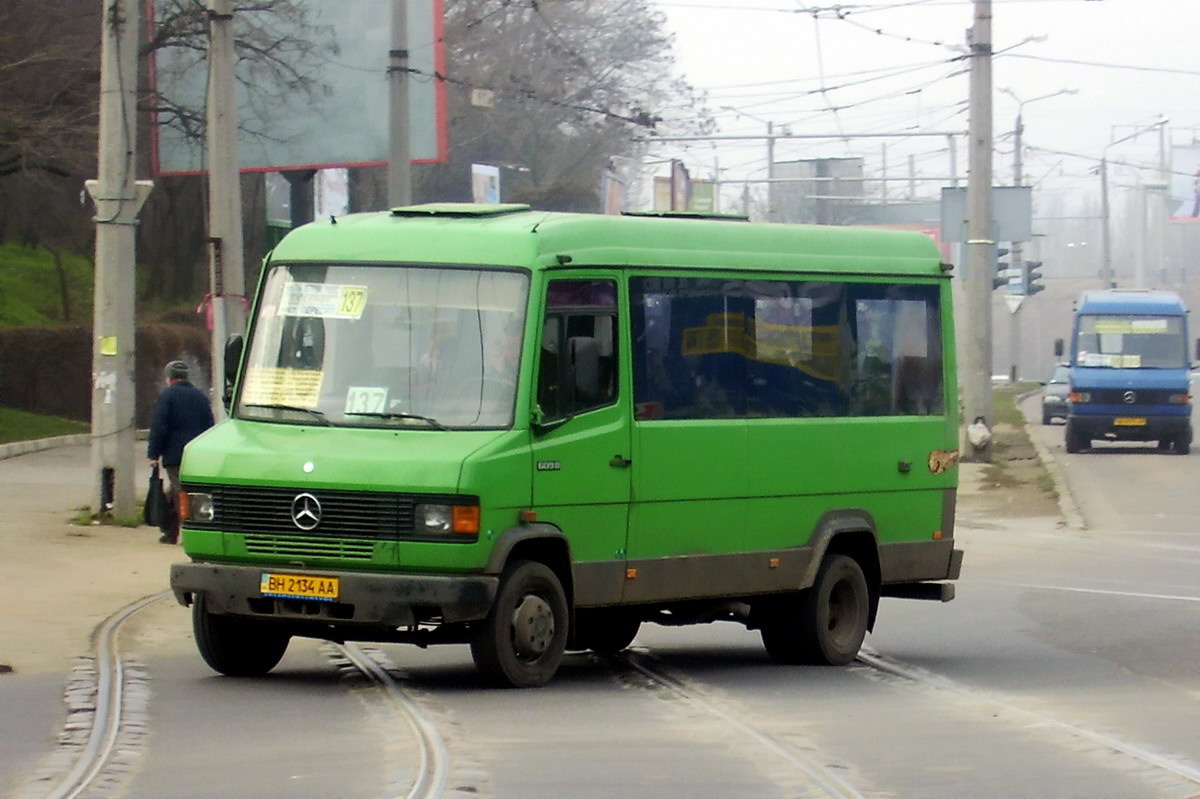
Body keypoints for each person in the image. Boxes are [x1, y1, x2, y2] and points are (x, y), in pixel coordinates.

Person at [148, 360, 214, 544]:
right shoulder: (200, 397)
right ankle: (170, 531)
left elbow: (159, 427)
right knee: (182, 492)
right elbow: (210, 426)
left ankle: (189, 534)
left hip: (175, 456)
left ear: (169, 378)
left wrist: (154, 454)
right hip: (198, 455)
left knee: (180, 494)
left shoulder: (167, 397)